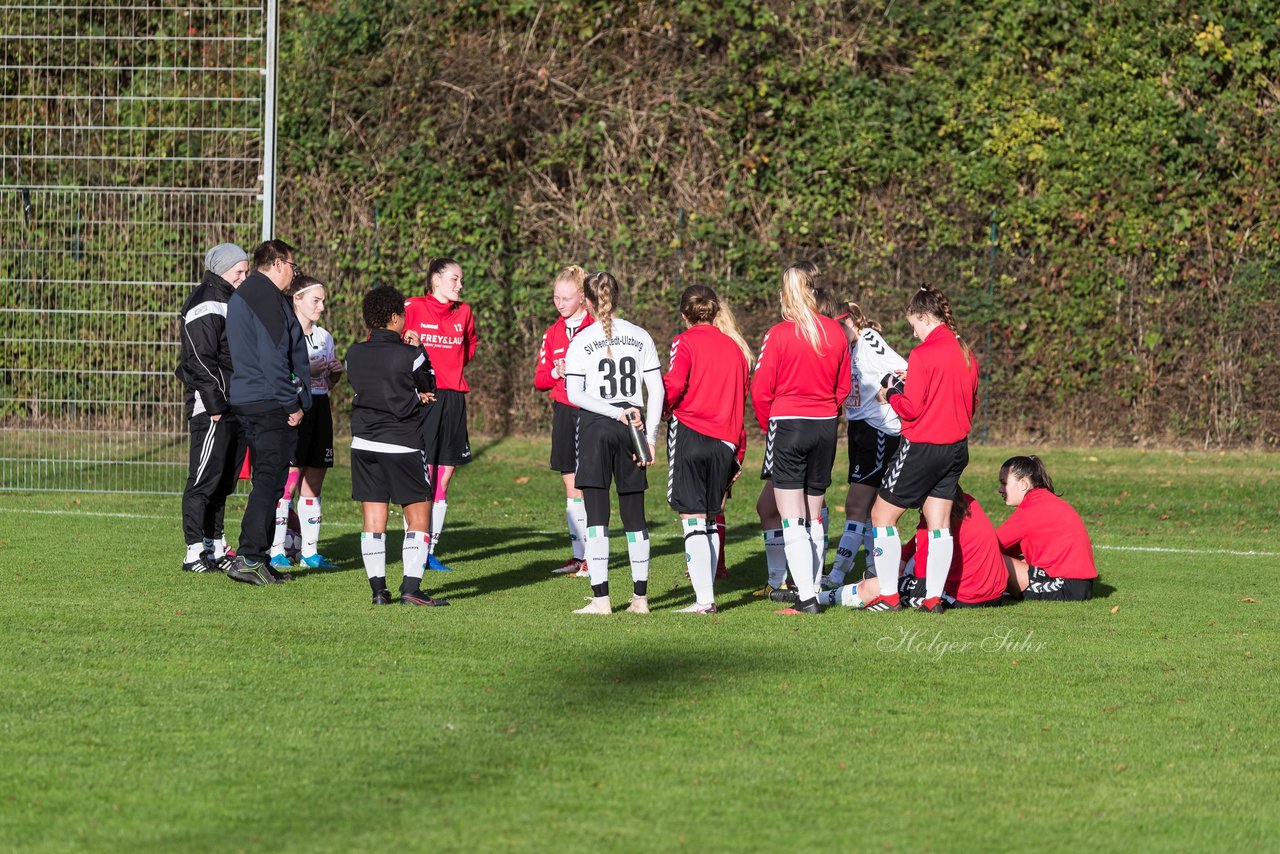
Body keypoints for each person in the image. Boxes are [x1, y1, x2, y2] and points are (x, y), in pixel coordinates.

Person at [867, 283, 979, 613]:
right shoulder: (965, 351)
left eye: (913, 324)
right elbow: (969, 401)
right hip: (956, 448)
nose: (914, 334)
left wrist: (889, 394)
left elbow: (912, 408)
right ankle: (933, 599)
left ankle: (888, 595)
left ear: (924, 316)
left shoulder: (924, 353)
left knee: (881, 516)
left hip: (923, 447)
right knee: (938, 522)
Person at [751, 262, 851, 615]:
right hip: (824, 427)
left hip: (789, 425)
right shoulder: (837, 332)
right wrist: (826, 412)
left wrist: (770, 426)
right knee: (814, 515)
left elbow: (760, 389)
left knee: (792, 517)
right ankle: (814, 590)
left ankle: (807, 597)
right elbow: (844, 387)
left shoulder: (778, 334)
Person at [563, 271, 664, 615]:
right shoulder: (640, 335)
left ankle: (601, 600)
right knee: (634, 515)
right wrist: (649, 438)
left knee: (596, 517)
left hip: (596, 427)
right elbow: (658, 391)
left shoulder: (581, 339)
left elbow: (574, 393)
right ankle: (641, 599)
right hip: (632, 426)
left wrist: (611, 411)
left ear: (587, 302)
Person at [345, 286, 448, 606]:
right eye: (403, 315)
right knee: (419, 517)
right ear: (393, 318)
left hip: (363, 443)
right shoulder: (410, 353)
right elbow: (429, 384)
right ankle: (411, 589)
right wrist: (421, 357)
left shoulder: (353, 353)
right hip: (402, 443)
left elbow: (363, 385)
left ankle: (378, 591)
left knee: (373, 520)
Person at [222, 239, 310, 586]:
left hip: (253, 397)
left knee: (269, 482)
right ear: (276, 263)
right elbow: (273, 358)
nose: (294, 273)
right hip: (267, 401)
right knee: (270, 481)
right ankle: (249, 557)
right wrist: (291, 403)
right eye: (292, 266)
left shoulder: (251, 294)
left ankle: (256, 557)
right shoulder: (266, 297)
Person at [663, 285, 752, 614]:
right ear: (715, 312)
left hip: (691, 432)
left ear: (684, 315)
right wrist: (737, 450)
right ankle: (707, 593)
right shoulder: (736, 349)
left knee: (692, 517)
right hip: (725, 440)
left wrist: (656, 405)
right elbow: (740, 401)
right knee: (713, 517)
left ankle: (704, 600)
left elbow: (675, 384)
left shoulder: (684, 342)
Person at [177, 243, 250, 573]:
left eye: (246, 272)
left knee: (223, 481)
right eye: (240, 271)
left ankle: (215, 545)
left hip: (235, 404)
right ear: (222, 269)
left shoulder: (231, 300)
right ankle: (193, 552)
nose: (244, 277)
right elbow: (198, 360)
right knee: (203, 480)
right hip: (212, 408)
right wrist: (216, 405)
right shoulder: (206, 301)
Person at [824, 301, 907, 590]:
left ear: (849, 322)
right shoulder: (846, 349)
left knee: (855, 506)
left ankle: (836, 574)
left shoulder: (869, 338)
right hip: (860, 431)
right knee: (870, 510)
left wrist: (891, 391)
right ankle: (875, 569)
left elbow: (904, 368)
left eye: (837, 327)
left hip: (880, 432)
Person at [403, 257, 478, 572]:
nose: (460, 285)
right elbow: (388, 344)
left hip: (454, 399)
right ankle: (414, 542)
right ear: (436, 280)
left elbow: (469, 346)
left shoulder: (464, 312)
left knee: (444, 475)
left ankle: (430, 550)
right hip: (425, 397)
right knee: (424, 474)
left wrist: (451, 371)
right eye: (455, 279)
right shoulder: (413, 307)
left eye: (461, 280)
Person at [821, 489, 1007, 609]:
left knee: (875, 586)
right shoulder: (967, 502)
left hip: (966, 597)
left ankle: (821, 599)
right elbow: (917, 543)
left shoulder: (935, 518)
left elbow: (922, 571)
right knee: (899, 569)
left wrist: (899, 578)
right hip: (995, 593)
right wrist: (903, 558)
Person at [267, 275, 342, 571]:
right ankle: (276, 550)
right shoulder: (285, 334)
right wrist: (305, 369)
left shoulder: (325, 337)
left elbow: (326, 382)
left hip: (320, 409)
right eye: (316, 300)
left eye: (323, 300)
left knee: (314, 482)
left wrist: (334, 374)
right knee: (288, 482)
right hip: (295, 409)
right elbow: (279, 375)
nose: (322, 306)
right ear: (297, 299)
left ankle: (310, 553)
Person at [533, 264, 594, 576]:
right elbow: (540, 379)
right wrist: (556, 372)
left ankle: (592, 556)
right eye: (556, 298)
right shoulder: (552, 333)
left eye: (566, 298)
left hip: (591, 412)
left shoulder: (597, 328)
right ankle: (578, 554)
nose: (560, 304)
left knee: (588, 483)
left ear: (582, 298)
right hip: (564, 412)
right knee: (570, 483)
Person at [996, 455, 1098, 601]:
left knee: (990, 558)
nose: (1000, 489)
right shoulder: (1044, 500)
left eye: (1004, 483)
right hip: (1078, 585)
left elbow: (988, 547)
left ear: (1023, 484)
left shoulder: (1030, 510)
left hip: (1065, 586)